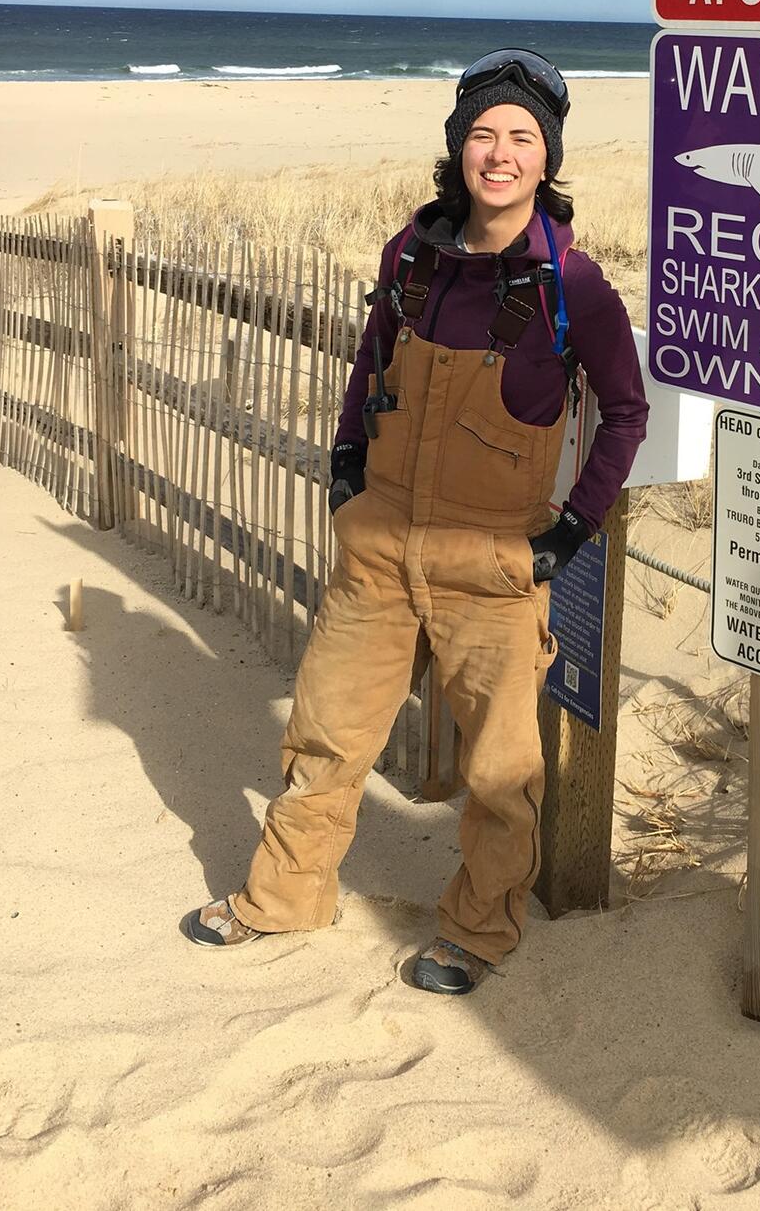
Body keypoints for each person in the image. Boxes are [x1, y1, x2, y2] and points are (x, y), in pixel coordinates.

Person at [184, 49, 649, 993]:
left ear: (547, 158)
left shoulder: (574, 285)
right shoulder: (414, 255)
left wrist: (571, 530)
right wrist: (349, 459)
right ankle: (286, 895)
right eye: (484, 131)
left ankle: (478, 930)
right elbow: (370, 357)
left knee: (499, 771)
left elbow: (626, 411)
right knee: (326, 733)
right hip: (382, 545)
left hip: (493, 558)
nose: (501, 152)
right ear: (457, 145)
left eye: (523, 137)